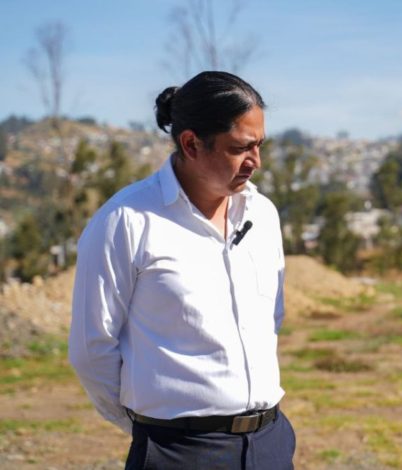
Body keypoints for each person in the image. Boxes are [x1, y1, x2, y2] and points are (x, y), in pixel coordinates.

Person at [69, 71, 295, 469]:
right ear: (191, 143)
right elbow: (92, 351)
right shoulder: (126, 220)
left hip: (270, 445)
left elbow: (270, 319)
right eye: (241, 148)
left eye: (260, 145)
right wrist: (152, 427)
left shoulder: (264, 215)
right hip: (178, 453)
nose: (256, 162)